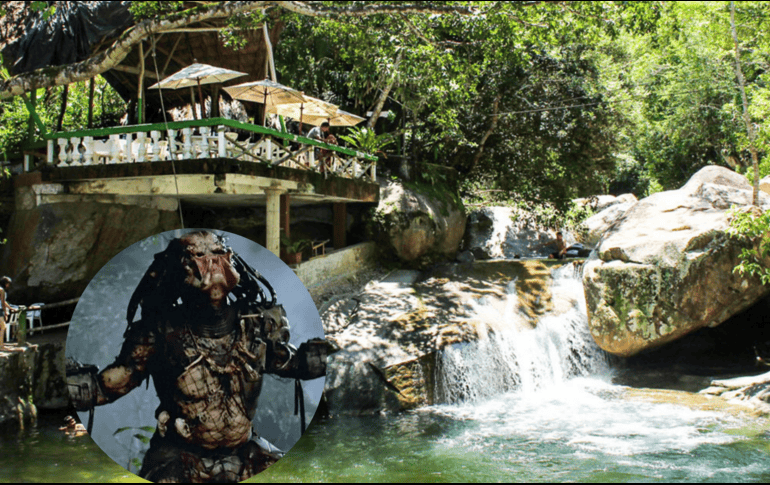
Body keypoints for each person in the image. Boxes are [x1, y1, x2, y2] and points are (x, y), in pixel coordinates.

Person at [66, 231, 326, 482]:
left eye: (217, 251)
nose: (211, 261)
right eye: (198, 254)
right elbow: (109, 385)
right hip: (180, 458)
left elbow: (292, 363)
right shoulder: (159, 332)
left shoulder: (257, 323)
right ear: (177, 270)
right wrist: (75, 386)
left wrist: (319, 359)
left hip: (245, 453)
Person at [0, 277, 12, 349]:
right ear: (5, 283)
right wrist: (5, 313)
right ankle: (1, 345)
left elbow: (4, 302)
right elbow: (2, 302)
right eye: (8, 284)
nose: (8, 286)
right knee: (3, 326)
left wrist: (10, 308)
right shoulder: (2, 290)